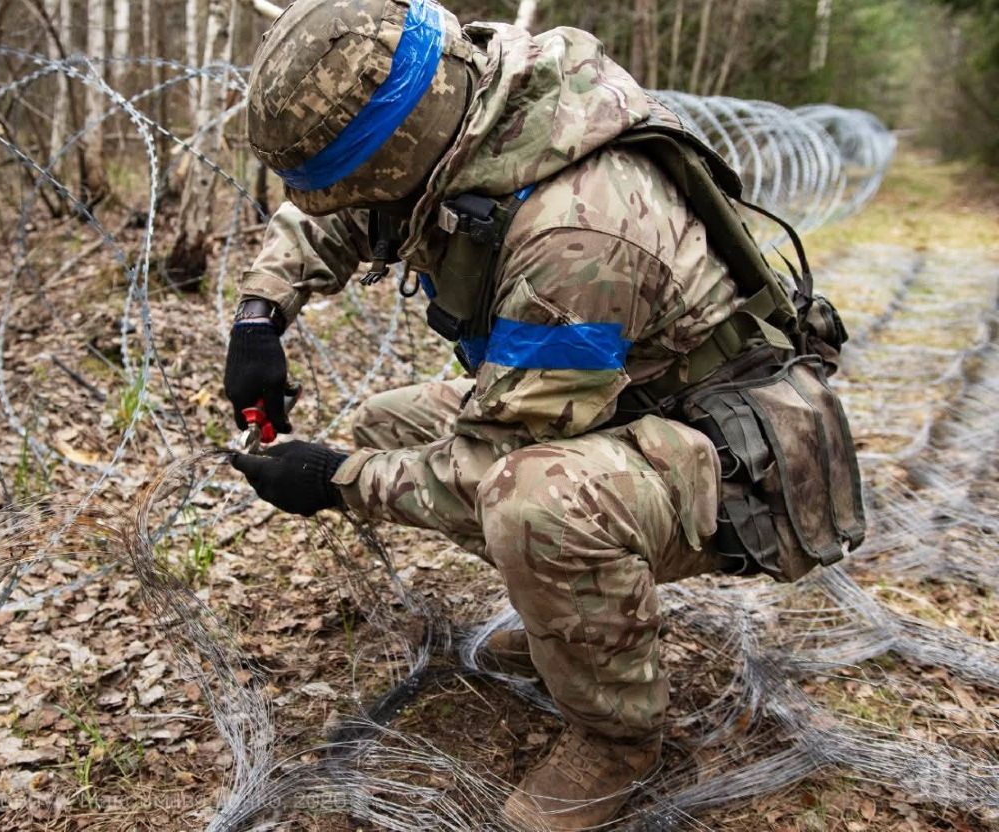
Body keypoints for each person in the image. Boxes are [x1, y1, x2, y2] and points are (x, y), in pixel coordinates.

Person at [221, 0, 863, 828]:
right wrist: (259, 319)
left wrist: (332, 480)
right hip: (619, 407)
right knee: (394, 423)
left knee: (532, 501)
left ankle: (617, 737)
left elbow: (492, 461)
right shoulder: (467, 105)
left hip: (739, 461)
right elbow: (351, 213)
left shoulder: (577, 233)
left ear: (402, 148)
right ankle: (573, 621)